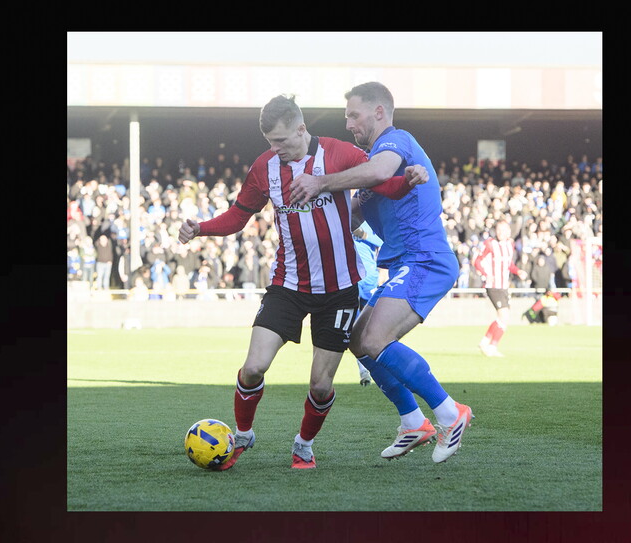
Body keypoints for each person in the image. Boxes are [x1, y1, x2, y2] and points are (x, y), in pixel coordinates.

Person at [178, 94, 425, 470]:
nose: (275, 150)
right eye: (270, 143)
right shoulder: (265, 167)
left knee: (320, 386)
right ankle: (243, 433)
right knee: (253, 368)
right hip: (288, 285)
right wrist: (201, 228)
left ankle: (304, 444)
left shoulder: (337, 153)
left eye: (281, 141)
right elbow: (238, 216)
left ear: (301, 129)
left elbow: (381, 181)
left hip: (340, 290)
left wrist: (405, 182)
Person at [289, 81, 473, 464]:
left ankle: (450, 414)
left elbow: (380, 171)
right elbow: (351, 212)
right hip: (403, 265)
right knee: (357, 339)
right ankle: (413, 422)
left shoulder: (396, 142)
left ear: (378, 112)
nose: (349, 124)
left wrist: (321, 181)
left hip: (425, 259)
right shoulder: (371, 166)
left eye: (353, 115)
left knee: (374, 338)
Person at [472, 219, 526, 357]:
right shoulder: (489, 244)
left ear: (509, 231)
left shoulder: (510, 244)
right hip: (493, 285)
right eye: (499, 230)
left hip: (504, 285)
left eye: (504, 230)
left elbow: (508, 264)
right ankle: (492, 346)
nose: (501, 233)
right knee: (504, 316)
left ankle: (485, 342)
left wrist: (518, 271)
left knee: (502, 317)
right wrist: (486, 274)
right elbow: (477, 261)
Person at [351, 221, 383, 386]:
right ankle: (363, 370)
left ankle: (382, 366)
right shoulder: (344, 218)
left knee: (374, 326)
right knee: (354, 327)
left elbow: (383, 242)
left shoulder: (372, 220)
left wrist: (364, 234)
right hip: (350, 279)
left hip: (369, 278)